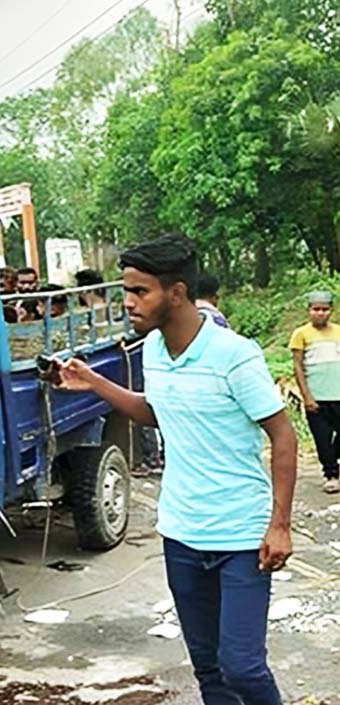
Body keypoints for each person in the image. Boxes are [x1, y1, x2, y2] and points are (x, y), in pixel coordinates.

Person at [56, 234, 296, 705]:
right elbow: (156, 411)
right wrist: (93, 382)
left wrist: (280, 524)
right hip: (182, 533)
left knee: (242, 667)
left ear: (177, 292)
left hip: (241, 537)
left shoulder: (234, 355)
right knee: (209, 668)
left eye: (139, 291)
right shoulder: (153, 351)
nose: (128, 302)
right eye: (125, 290)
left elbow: (283, 436)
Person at [290, 291, 340, 494]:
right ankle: (331, 474)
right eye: (316, 309)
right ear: (308, 311)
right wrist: (306, 395)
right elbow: (298, 366)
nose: (320, 313)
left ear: (332, 311)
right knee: (321, 438)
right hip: (316, 396)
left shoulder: (338, 332)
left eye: (324, 309)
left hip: (338, 394)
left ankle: (334, 461)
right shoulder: (301, 334)